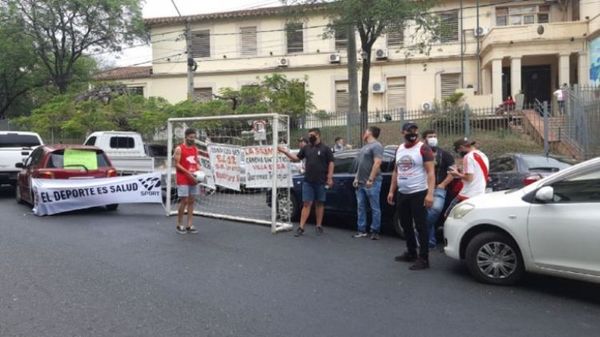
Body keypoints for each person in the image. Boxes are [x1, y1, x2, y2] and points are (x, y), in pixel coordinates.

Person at [387, 122, 435, 270]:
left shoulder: (423, 148)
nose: (412, 133)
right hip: (403, 193)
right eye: (409, 130)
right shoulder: (399, 149)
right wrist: (391, 191)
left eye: (414, 130)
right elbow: (396, 171)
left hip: (419, 193)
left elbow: (431, 173)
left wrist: (430, 194)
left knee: (420, 226)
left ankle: (424, 258)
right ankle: (411, 252)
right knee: (406, 224)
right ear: (403, 132)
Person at [279, 128, 334, 237]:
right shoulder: (306, 148)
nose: (310, 137)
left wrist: (330, 177)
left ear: (318, 135)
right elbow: (296, 158)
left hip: (321, 181)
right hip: (308, 181)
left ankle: (318, 226)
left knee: (319, 203)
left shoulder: (325, 149)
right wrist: (285, 152)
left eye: (312, 135)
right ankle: (301, 227)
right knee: (306, 203)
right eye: (309, 135)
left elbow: (331, 163)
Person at [421, 130, 455, 248]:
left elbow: (453, 171)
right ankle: (430, 242)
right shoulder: (420, 153)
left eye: (435, 136)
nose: (433, 138)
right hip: (422, 188)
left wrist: (443, 184)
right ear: (424, 139)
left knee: (435, 209)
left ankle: (420, 230)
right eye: (430, 136)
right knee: (426, 212)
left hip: (438, 188)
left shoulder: (444, 154)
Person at [353, 126, 384, 240]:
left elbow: (377, 163)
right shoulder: (364, 147)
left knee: (374, 207)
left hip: (372, 182)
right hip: (361, 182)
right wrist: (356, 178)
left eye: (366, 131)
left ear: (370, 133)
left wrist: (370, 179)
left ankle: (375, 231)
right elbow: (361, 165)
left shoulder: (377, 146)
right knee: (360, 207)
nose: (364, 133)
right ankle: (361, 230)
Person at [446, 138, 489, 213]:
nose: (460, 153)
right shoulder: (483, 155)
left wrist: (457, 174)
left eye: (459, 151)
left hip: (467, 193)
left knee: (449, 214)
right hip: (480, 192)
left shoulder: (468, 157)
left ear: (462, 147)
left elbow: (469, 178)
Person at [173, 128, 201, 234]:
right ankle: (179, 224)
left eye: (194, 137)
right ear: (186, 137)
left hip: (193, 178)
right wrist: (188, 172)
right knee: (184, 201)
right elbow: (176, 164)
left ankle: (189, 225)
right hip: (183, 178)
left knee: (192, 201)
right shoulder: (179, 149)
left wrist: (200, 171)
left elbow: (196, 162)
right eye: (190, 137)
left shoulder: (195, 149)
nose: (192, 139)